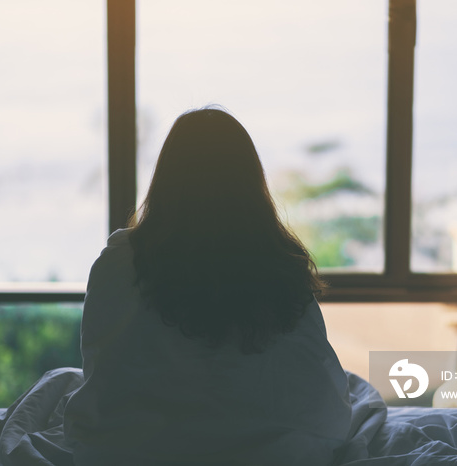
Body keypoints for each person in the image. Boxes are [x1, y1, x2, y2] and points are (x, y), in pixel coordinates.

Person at [62, 107, 353, 465]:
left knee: (58, 384)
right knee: (358, 391)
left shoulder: (119, 262)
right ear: (250, 183)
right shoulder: (279, 263)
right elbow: (317, 384)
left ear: (166, 179)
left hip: (133, 450)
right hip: (273, 453)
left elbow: (102, 364)